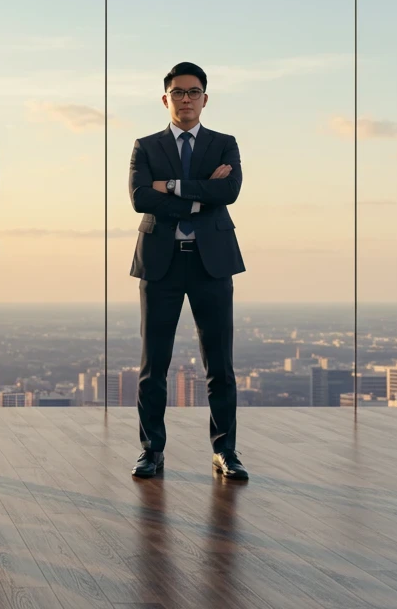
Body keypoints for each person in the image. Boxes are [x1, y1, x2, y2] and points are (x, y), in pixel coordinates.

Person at [128, 61, 248, 480]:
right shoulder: (145, 146)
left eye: (193, 92)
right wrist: (202, 193)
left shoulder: (224, 144)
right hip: (160, 263)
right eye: (178, 92)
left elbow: (229, 190)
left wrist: (173, 187)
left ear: (205, 99)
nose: (186, 99)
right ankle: (151, 450)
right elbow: (141, 198)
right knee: (153, 366)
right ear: (166, 99)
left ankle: (225, 452)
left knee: (220, 365)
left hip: (210, 263)